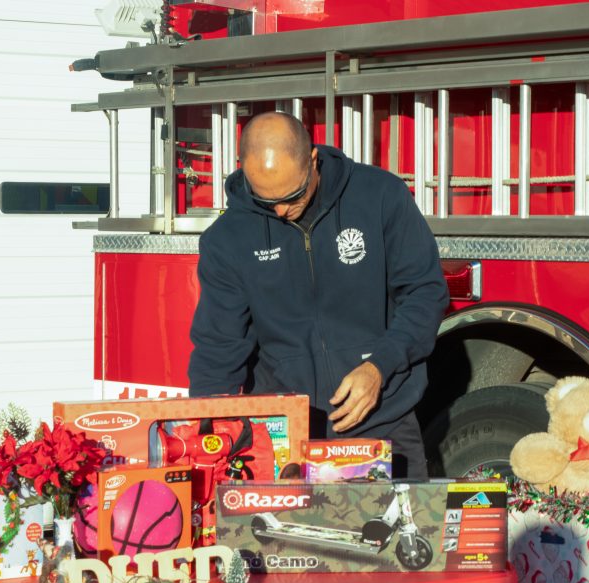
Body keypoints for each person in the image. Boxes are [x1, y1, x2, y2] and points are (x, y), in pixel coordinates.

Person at [188, 112, 449, 478]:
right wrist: (205, 433)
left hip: (381, 418)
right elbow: (219, 346)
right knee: (288, 537)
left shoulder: (379, 196)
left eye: (292, 195)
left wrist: (380, 367)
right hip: (284, 437)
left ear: (312, 161)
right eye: (265, 201)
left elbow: (425, 293)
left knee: (400, 533)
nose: (279, 211)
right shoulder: (228, 238)